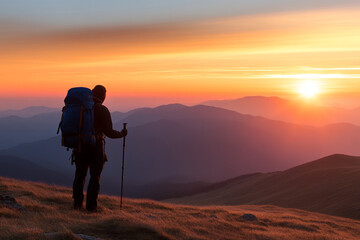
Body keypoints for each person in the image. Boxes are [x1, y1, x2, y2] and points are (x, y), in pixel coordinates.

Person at [72, 85, 127, 212]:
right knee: (94, 177)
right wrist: (122, 134)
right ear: (103, 96)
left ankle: (77, 205)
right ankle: (91, 208)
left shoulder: (80, 108)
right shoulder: (102, 110)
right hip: (95, 149)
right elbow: (109, 132)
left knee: (80, 175)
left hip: (79, 147)